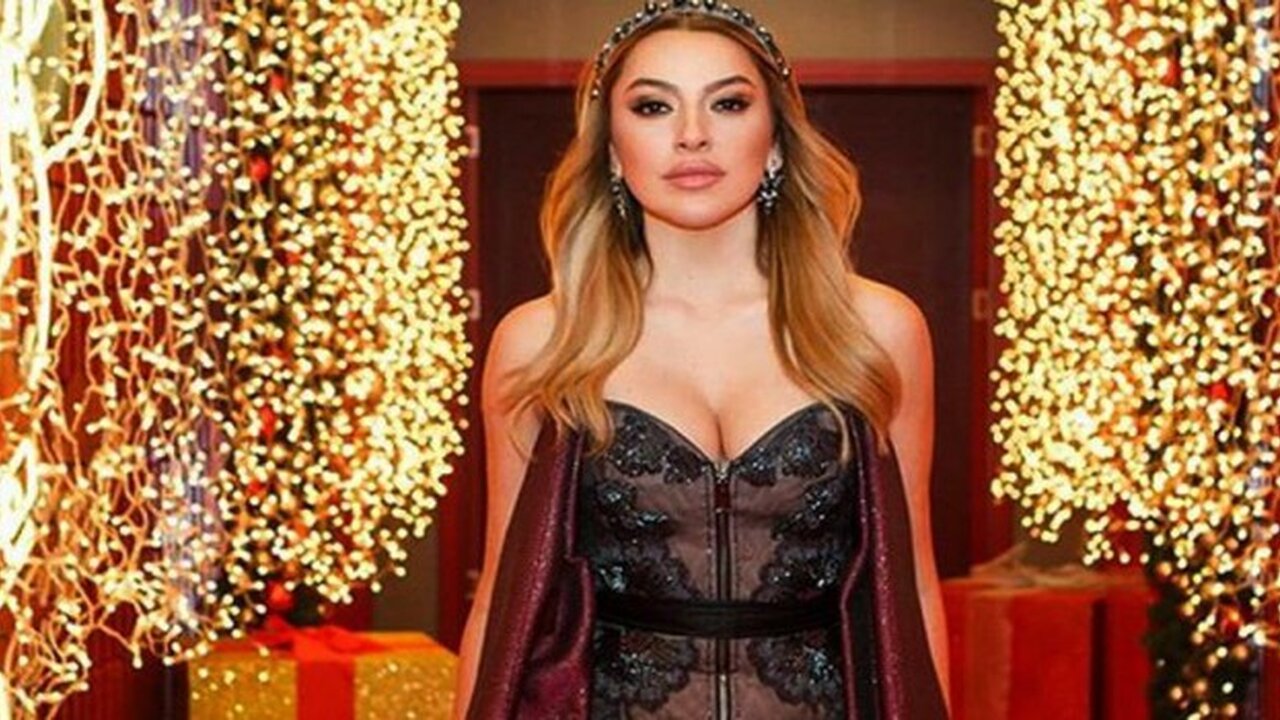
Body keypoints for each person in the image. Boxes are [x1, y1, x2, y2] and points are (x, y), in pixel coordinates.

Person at [453, 1, 950, 717]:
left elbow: (914, 588)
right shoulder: (543, 342)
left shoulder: (876, 329)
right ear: (612, 150)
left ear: (775, 141)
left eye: (729, 103)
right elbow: (505, 601)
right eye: (653, 107)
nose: (692, 135)